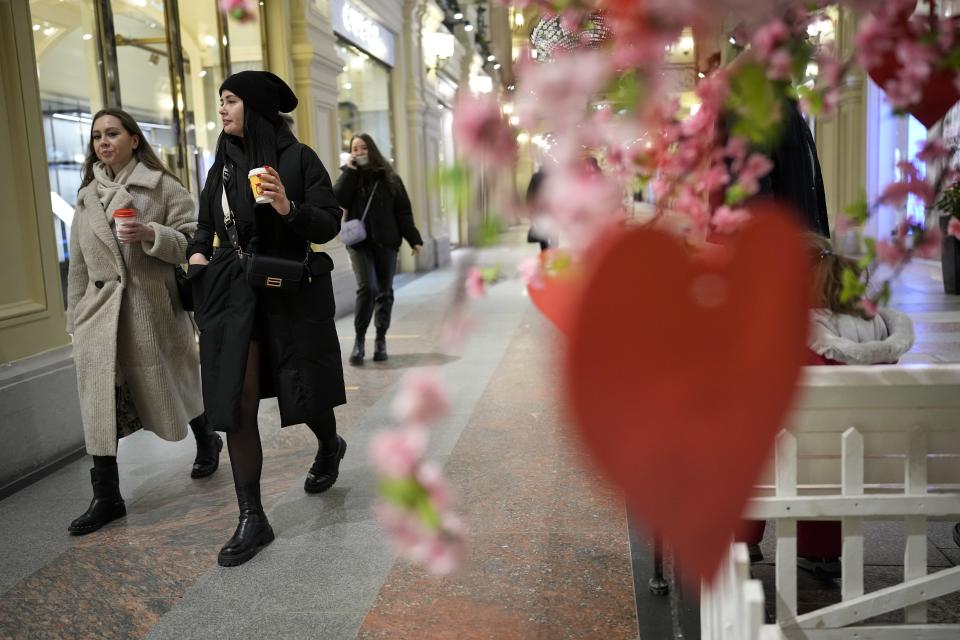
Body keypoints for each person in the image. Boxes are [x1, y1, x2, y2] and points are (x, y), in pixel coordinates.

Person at [187, 71, 347, 567]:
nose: (221, 109)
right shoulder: (222, 166)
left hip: (288, 293)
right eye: (220, 101)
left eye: (230, 100)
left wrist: (287, 205)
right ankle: (252, 516)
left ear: (254, 107)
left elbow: (328, 221)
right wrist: (196, 254)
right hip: (235, 296)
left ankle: (329, 443)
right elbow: (206, 224)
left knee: (303, 388)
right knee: (239, 398)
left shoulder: (298, 159)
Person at [65, 108, 219, 535]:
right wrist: (75, 315)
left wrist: (152, 235)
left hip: (151, 310)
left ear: (134, 139)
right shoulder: (87, 195)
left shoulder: (162, 186)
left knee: (175, 383)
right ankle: (107, 495)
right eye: (97, 136)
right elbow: (78, 264)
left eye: (112, 133)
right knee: (98, 402)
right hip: (100, 315)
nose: (103, 142)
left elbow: (193, 241)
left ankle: (207, 438)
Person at [739, 234, 915, 577]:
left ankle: (740, 539)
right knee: (831, 439)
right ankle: (820, 551)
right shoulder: (879, 330)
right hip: (867, 461)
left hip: (786, 463)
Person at [333, 133, 423, 365]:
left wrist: (413, 239)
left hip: (386, 242)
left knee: (384, 291)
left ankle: (380, 339)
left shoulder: (389, 177)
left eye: (363, 148)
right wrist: (350, 172)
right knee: (367, 289)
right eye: (355, 149)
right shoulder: (349, 175)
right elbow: (337, 200)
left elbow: (403, 211)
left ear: (372, 149)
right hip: (359, 243)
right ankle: (359, 340)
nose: (359, 152)